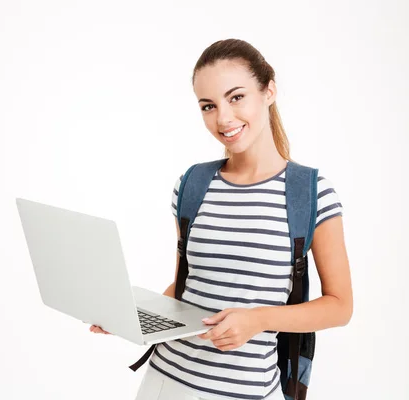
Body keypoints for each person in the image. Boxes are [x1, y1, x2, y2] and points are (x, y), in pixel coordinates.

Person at [89, 38, 353, 400]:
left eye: (236, 97)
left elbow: (340, 306)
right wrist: (131, 317)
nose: (223, 118)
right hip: (164, 381)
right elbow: (185, 287)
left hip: (245, 390)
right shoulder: (193, 183)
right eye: (208, 106)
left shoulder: (310, 192)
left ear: (269, 91)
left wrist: (258, 319)